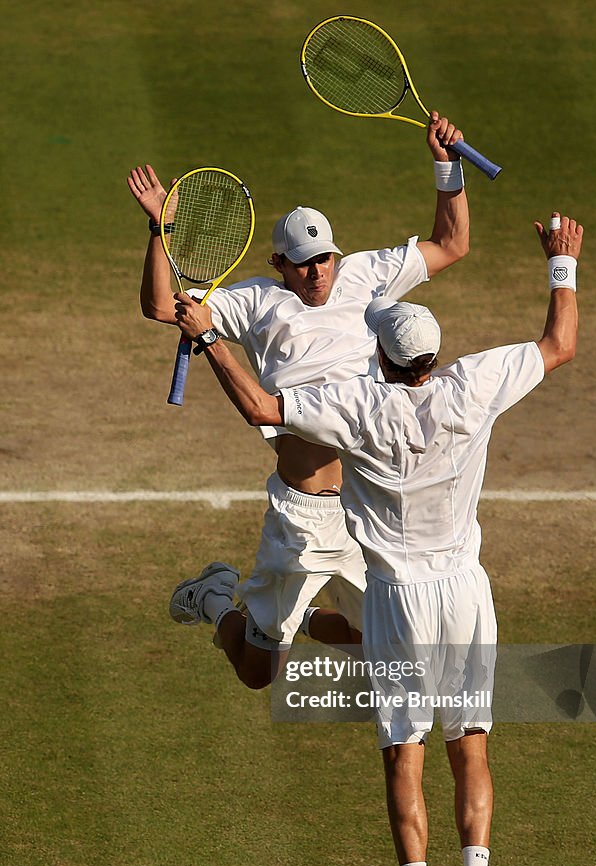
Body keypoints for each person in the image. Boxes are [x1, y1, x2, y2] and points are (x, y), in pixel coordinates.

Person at [172, 212, 583, 866]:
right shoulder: (472, 384)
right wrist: (560, 265)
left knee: (405, 754)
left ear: (385, 362)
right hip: (466, 592)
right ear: (432, 358)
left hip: (395, 600)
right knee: (472, 747)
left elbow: (262, 410)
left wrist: (208, 338)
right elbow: (558, 344)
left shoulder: (359, 408)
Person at [127, 113, 470, 690]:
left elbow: (451, 244)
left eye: (325, 258)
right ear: (279, 265)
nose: (317, 272)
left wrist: (446, 164)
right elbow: (161, 307)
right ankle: (214, 598)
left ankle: (302, 617)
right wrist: (161, 230)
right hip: (304, 519)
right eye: (303, 262)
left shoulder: (369, 275)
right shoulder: (255, 302)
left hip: (369, 505)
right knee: (259, 674)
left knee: (393, 650)